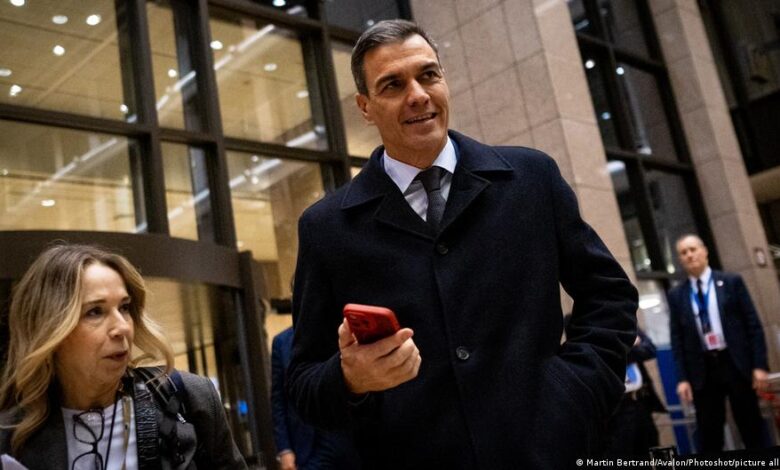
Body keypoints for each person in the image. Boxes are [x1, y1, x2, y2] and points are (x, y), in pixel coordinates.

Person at [286, 19, 638, 469]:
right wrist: (350, 378)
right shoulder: (327, 228)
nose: (418, 95)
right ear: (365, 107)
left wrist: (577, 391)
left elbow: (609, 295)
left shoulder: (531, 179)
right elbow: (303, 384)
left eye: (428, 75)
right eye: (393, 84)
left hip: (546, 454)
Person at [0, 243, 246, 469]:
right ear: (50, 329)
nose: (122, 327)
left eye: (124, 308)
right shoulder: (11, 437)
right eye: (95, 312)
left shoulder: (191, 398)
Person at [669, 234, 769, 453]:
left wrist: (760, 365)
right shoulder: (677, 295)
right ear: (680, 259)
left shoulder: (731, 282)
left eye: (693, 249)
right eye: (684, 253)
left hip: (735, 363)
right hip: (703, 369)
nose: (689, 255)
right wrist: (682, 378)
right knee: (709, 436)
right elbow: (677, 340)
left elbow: (753, 325)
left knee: (751, 427)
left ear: (705, 251)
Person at [272, 327, 359, 470]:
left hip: (346, 435)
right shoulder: (281, 342)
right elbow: (278, 401)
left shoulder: (341, 329)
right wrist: (284, 450)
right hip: (308, 445)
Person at [604, 330, 666, 456]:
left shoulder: (626, 324)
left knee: (652, 449)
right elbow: (605, 356)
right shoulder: (589, 327)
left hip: (641, 403)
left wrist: (619, 351)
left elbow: (650, 349)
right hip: (617, 411)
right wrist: (629, 345)